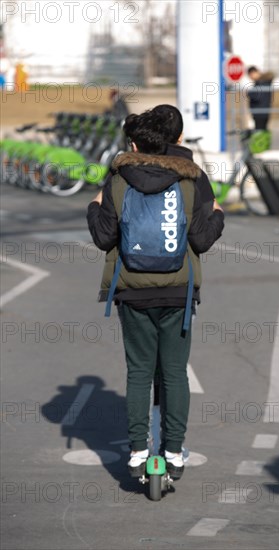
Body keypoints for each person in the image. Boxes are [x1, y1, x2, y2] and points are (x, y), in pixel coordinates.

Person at [87, 107, 224, 479]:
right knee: (175, 372)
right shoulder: (191, 180)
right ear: (174, 141)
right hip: (178, 291)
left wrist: (92, 207)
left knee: (139, 371)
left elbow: (103, 237)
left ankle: (136, 452)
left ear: (135, 143)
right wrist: (218, 217)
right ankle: (175, 452)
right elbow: (201, 239)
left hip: (132, 290)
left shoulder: (118, 178)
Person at [247, 66, 275, 131]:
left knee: (260, 131)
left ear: (254, 72)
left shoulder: (262, 82)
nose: (250, 77)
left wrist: (250, 93)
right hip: (261, 111)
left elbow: (258, 96)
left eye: (251, 75)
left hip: (260, 112)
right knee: (262, 131)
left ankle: (262, 141)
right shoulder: (262, 82)